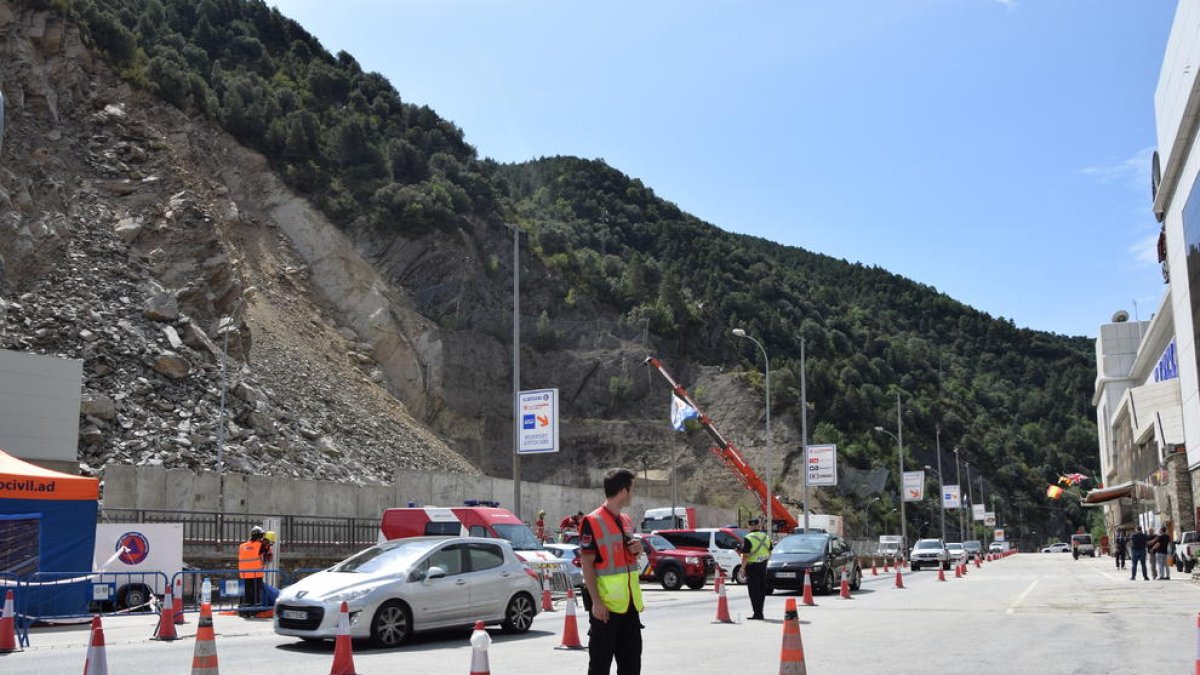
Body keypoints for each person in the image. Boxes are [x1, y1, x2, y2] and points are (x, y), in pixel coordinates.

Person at [580, 468, 644, 675]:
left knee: (631, 666)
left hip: (629, 606)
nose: (633, 493)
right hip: (605, 610)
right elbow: (586, 564)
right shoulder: (592, 521)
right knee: (599, 667)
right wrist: (597, 603)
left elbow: (623, 557)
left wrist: (637, 550)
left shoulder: (625, 520)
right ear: (624, 490)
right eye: (632, 488)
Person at [739, 517, 772, 620]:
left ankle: (757, 613)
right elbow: (770, 552)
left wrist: (742, 568)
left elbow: (746, 555)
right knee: (762, 590)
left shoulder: (748, 538)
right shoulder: (766, 537)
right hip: (763, 566)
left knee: (754, 591)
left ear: (749, 527)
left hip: (752, 567)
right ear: (759, 526)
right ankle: (760, 612)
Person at [238, 526, 267, 615]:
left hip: (245, 575)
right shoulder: (260, 545)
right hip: (256, 574)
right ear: (259, 536)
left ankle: (246, 611)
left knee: (247, 594)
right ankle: (255, 611)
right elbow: (267, 556)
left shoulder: (242, 546)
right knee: (256, 594)